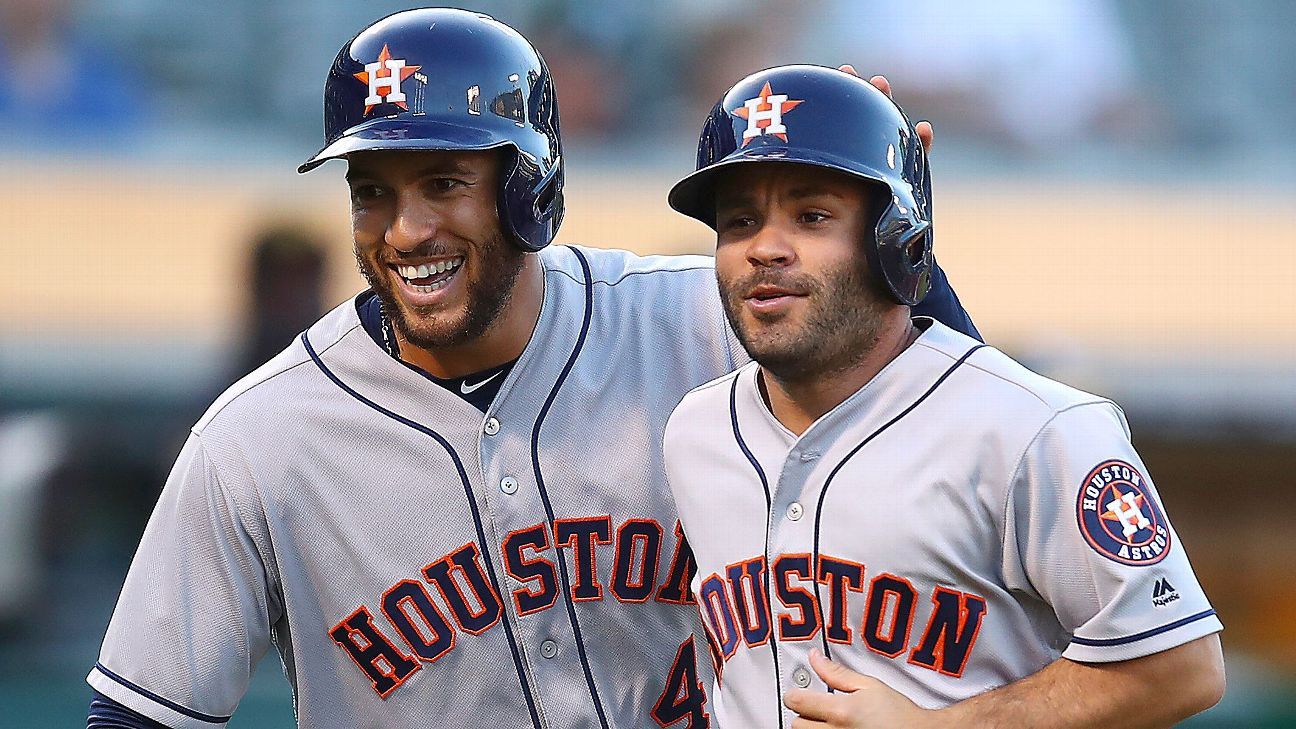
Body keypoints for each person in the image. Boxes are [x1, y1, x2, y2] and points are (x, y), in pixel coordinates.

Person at [85, 10, 978, 728]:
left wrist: (890, 250)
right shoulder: (259, 438)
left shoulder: (700, 320)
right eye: (372, 192)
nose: (403, 231)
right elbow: (135, 708)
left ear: (529, 189)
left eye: (443, 183)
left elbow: (954, 427)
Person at [662, 64, 1226, 729]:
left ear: (892, 239)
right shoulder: (694, 431)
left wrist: (942, 725)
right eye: (739, 221)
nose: (765, 248)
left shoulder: (1038, 429)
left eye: (812, 216)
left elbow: (1182, 664)